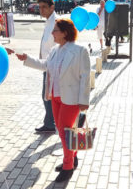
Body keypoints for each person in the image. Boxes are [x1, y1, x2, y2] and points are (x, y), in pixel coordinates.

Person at [16, 18, 90, 182]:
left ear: (64, 33)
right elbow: (45, 65)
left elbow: (85, 77)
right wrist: (26, 58)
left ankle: (68, 166)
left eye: (55, 30)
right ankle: (72, 157)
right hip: (55, 96)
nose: (52, 33)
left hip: (71, 99)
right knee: (63, 131)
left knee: (64, 131)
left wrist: (84, 100)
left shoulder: (80, 50)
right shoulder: (55, 50)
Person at [35, 0, 57, 133]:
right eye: (40, 7)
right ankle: (50, 122)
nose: (41, 10)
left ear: (52, 7)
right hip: (47, 64)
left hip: (53, 66)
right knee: (49, 96)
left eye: (44, 7)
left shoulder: (55, 22)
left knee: (47, 96)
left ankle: (49, 124)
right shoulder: (48, 21)